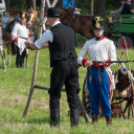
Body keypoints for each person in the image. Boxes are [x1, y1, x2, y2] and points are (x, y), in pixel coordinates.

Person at [25, 8, 80, 127]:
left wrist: (29, 45)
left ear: (49, 18)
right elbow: (55, 43)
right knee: (73, 95)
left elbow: (35, 46)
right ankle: (75, 126)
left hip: (60, 66)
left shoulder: (50, 32)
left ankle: (54, 126)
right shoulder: (70, 30)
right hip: (73, 65)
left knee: (55, 94)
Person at [77, 16, 117, 125]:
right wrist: (86, 62)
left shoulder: (109, 43)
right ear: (93, 30)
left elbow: (114, 59)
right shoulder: (88, 43)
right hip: (91, 73)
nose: (98, 32)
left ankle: (109, 120)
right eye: (96, 30)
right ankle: (94, 120)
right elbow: (79, 57)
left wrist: (107, 62)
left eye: (100, 30)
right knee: (93, 95)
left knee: (104, 96)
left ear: (103, 30)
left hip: (103, 72)